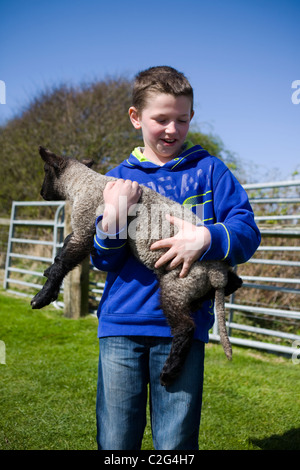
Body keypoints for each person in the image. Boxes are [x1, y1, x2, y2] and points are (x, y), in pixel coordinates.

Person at [91, 66, 261, 450]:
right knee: (117, 441)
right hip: (121, 325)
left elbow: (248, 233)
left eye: (181, 120)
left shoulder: (211, 171)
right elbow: (102, 261)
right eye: (161, 119)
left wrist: (205, 238)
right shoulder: (116, 179)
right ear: (136, 118)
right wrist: (115, 218)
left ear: (191, 117)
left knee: (175, 443)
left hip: (183, 327)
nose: (172, 129)